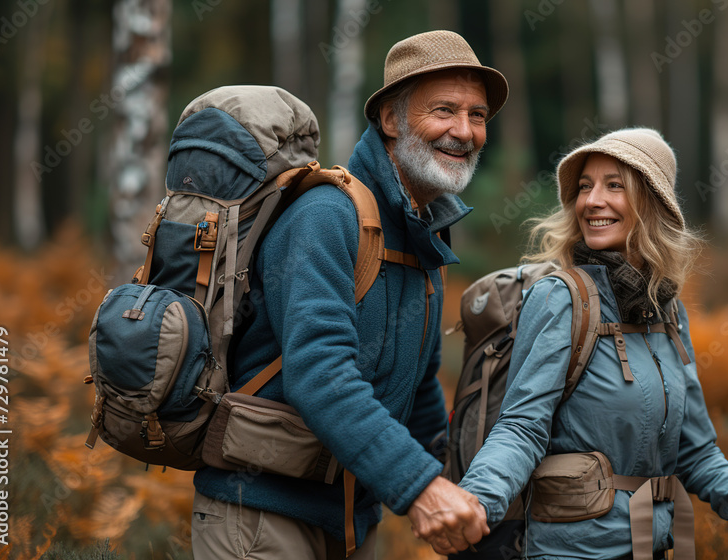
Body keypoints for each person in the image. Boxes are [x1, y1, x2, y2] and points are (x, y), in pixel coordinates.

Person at [191, 30, 508, 559]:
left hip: (352, 523)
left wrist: (460, 491)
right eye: (444, 111)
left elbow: (420, 392)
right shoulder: (327, 215)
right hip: (260, 518)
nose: (464, 131)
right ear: (390, 120)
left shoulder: (423, 235)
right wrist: (422, 489)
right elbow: (320, 373)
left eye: (477, 116)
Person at [451, 128, 728, 559]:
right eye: (585, 187)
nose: (592, 201)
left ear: (653, 203)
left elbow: (696, 452)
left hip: (653, 547)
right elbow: (521, 427)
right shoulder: (561, 298)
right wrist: (475, 502)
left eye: (615, 186)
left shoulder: (667, 311)